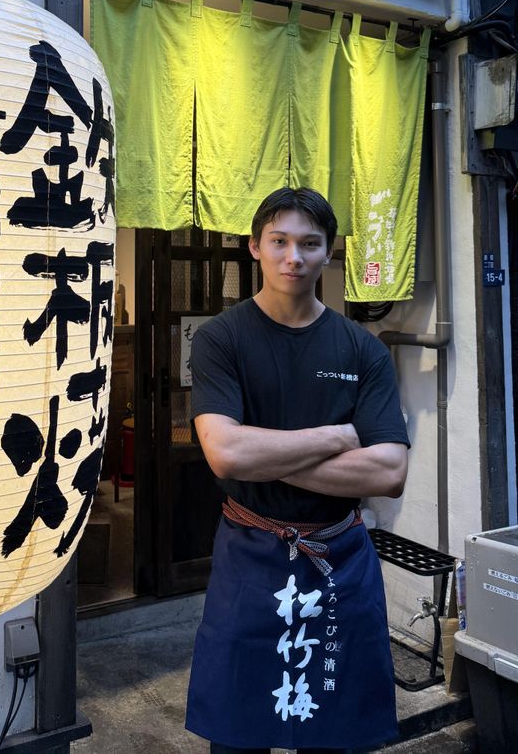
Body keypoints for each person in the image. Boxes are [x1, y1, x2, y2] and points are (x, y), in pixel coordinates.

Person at [185, 187, 409, 754]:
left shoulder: (362, 349)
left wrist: (262, 452)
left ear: (329, 251)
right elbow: (225, 454)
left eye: (309, 244)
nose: (294, 257)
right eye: (279, 241)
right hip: (250, 553)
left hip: (339, 559)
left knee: (336, 732)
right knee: (238, 733)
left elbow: (388, 472)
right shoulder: (221, 339)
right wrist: (339, 436)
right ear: (254, 247)